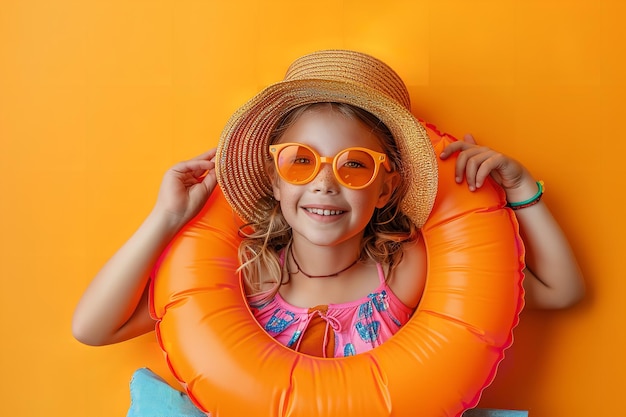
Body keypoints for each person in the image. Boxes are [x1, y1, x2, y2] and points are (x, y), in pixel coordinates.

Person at [72, 50, 584, 357]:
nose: (324, 183)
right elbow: (93, 329)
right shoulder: (246, 273)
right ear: (274, 181)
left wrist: (521, 190)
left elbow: (562, 291)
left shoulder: (407, 271)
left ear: (385, 188)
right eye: (301, 161)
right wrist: (165, 220)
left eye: (354, 164)